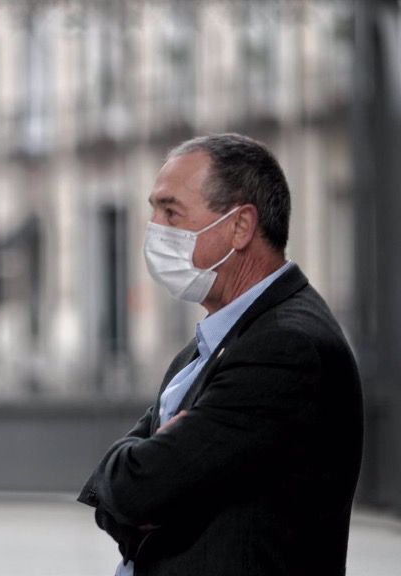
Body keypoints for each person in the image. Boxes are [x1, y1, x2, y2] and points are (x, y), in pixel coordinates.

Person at [78, 133, 363, 576]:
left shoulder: (286, 347)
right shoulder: (211, 344)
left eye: (171, 211)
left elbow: (135, 489)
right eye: (153, 211)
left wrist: (143, 476)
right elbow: (114, 498)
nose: (154, 229)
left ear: (240, 226)